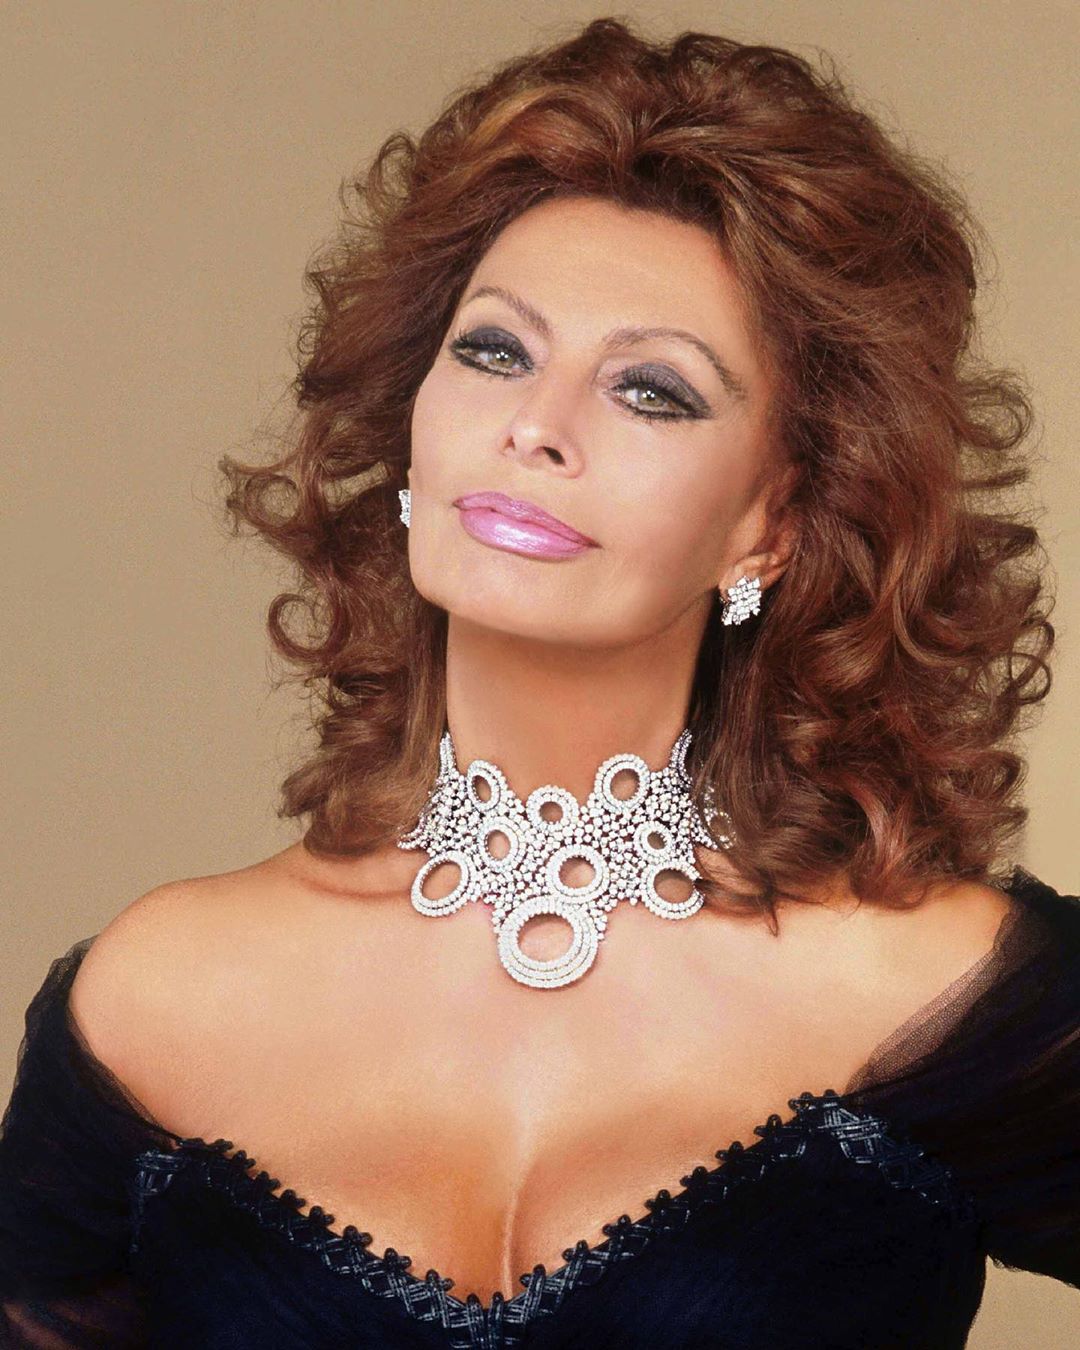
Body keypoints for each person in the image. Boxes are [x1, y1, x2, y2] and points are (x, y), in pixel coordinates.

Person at [1, 16, 1076, 1350]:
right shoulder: (149, 1007)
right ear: (410, 424)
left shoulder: (939, 991)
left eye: (653, 392)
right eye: (495, 351)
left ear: (775, 523)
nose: (536, 427)